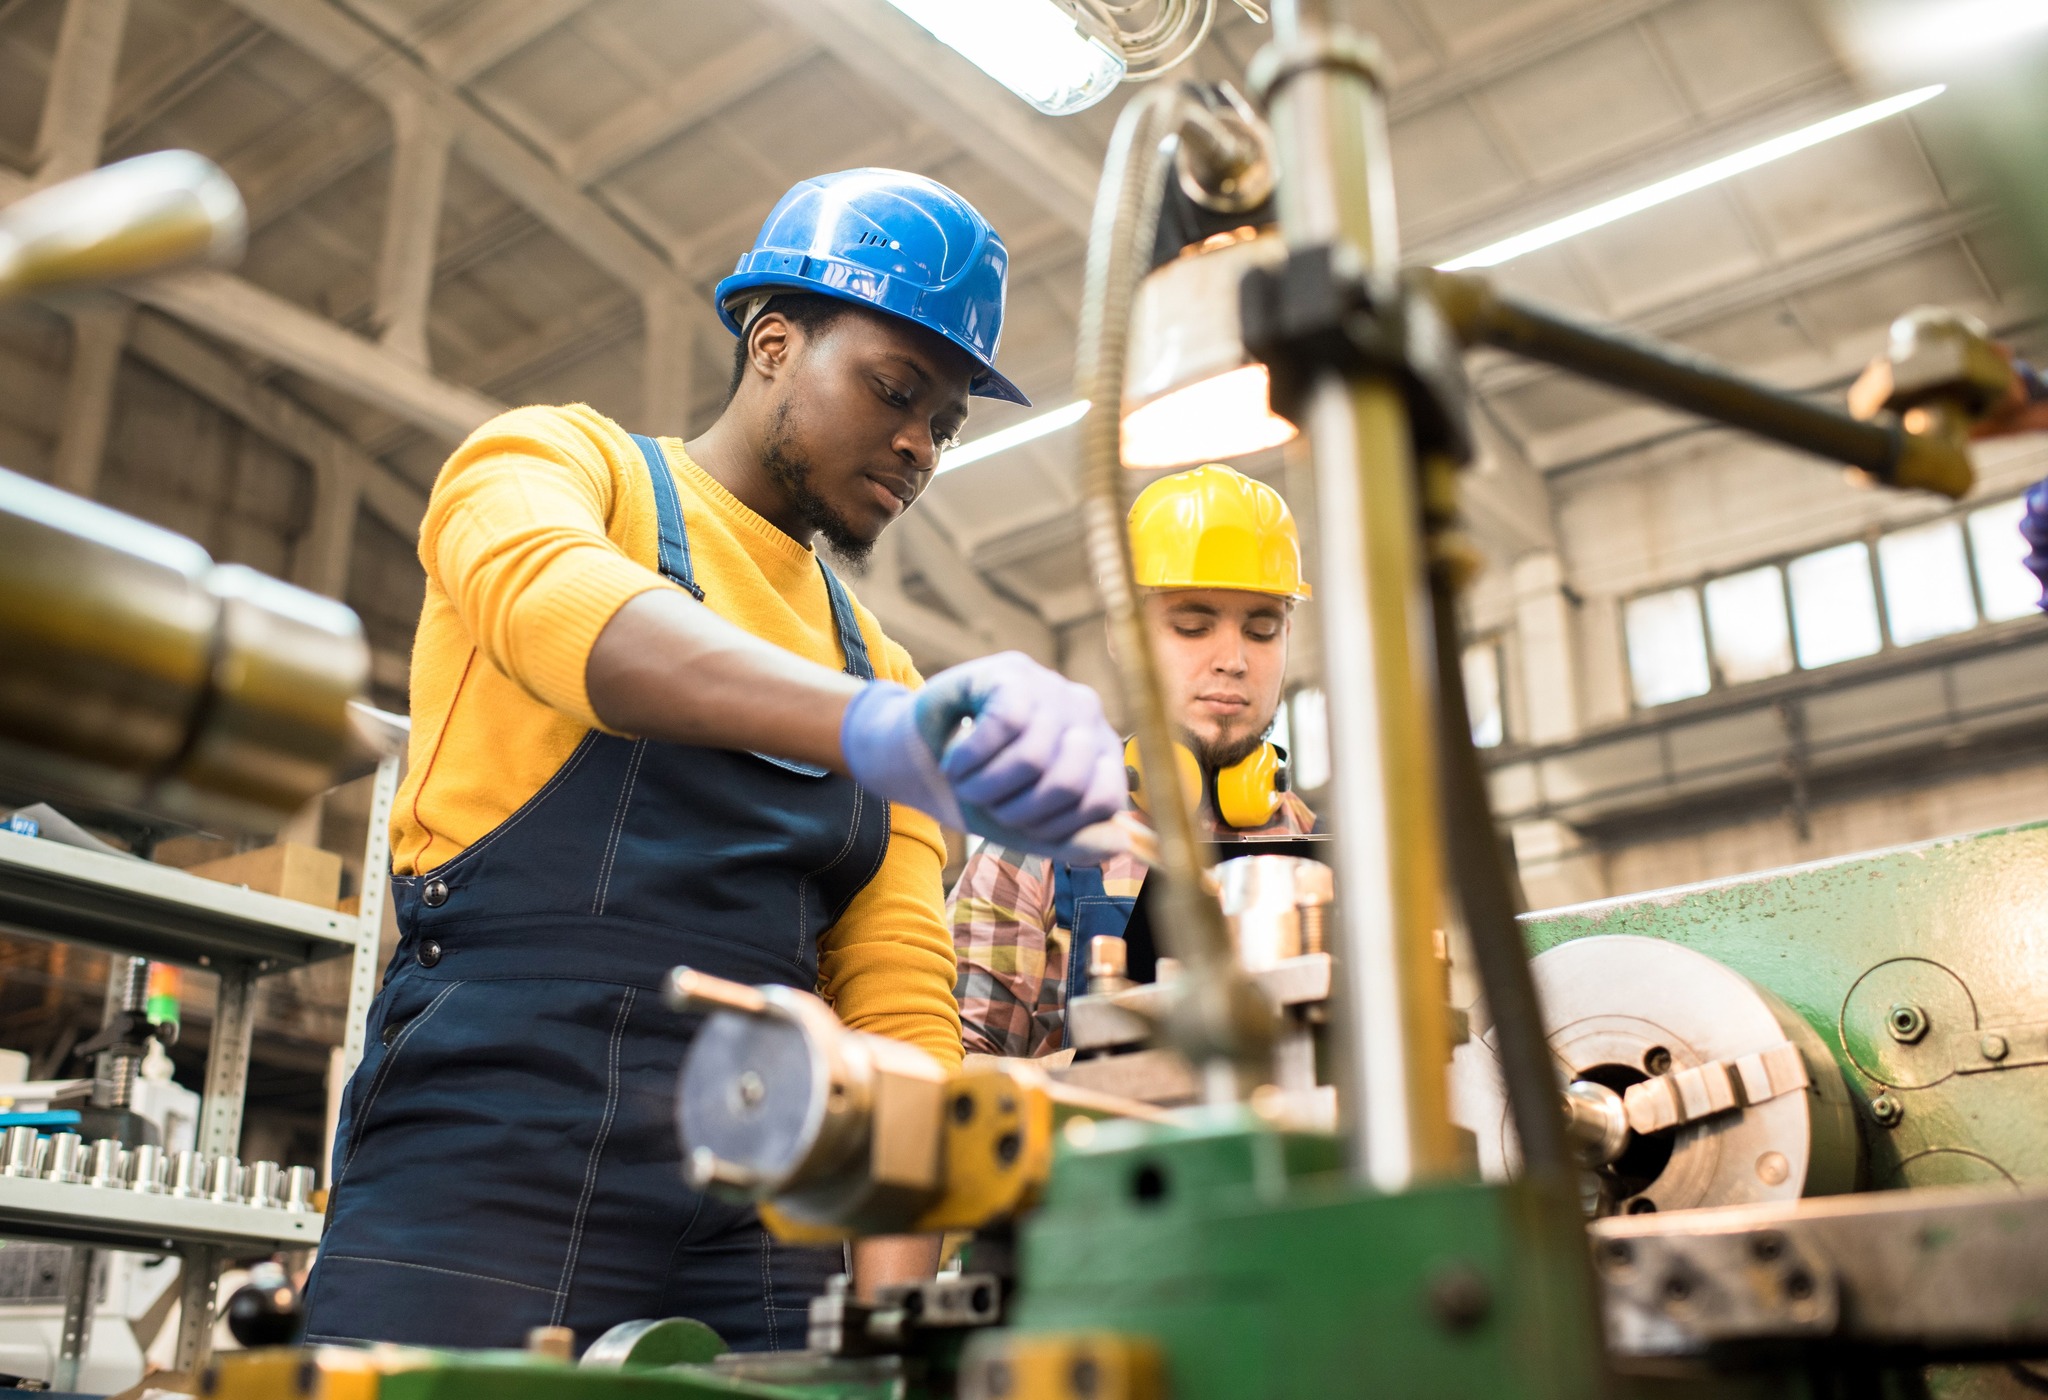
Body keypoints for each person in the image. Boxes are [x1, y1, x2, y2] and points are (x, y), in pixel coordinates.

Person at [302, 170, 1126, 1352]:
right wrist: (871, 731)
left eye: (944, 424)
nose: (919, 445)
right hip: (493, 1129)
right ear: (774, 342)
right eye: (895, 390)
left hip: (771, 1175)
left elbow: (896, 1004)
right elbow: (558, 604)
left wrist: (895, 1317)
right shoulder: (563, 466)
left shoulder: (877, 660)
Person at [950, 464, 1317, 1058]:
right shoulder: (1032, 848)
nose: (1233, 659)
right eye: (1194, 626)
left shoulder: (1319, 855)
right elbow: (956, 1079)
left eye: (1262, 629)